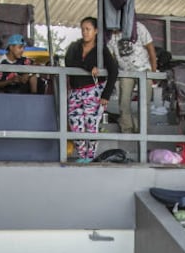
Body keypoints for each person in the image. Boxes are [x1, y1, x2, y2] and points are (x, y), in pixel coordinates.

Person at [64, 16, 118, 161]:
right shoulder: (75, 46)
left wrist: (106, 95)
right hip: (75, 92)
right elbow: (69, 61)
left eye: (88, 29)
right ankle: (82, 156)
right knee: (75, 124)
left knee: (91, 125)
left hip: (93, 91)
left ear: (96, 31)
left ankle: (90, 157)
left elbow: (113, 70)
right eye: (82, 29)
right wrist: (88, 67)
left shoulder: (101, 49)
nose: (85, 32)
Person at [105, 20, 156, 133]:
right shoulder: (110, 35)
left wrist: (154, 72)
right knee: (123, 101)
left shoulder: (138, 27)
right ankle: (127, 128)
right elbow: (111, 57)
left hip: (143, 69)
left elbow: (151, 49)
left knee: (144, 102)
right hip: (125, 71)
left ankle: (141, 129)